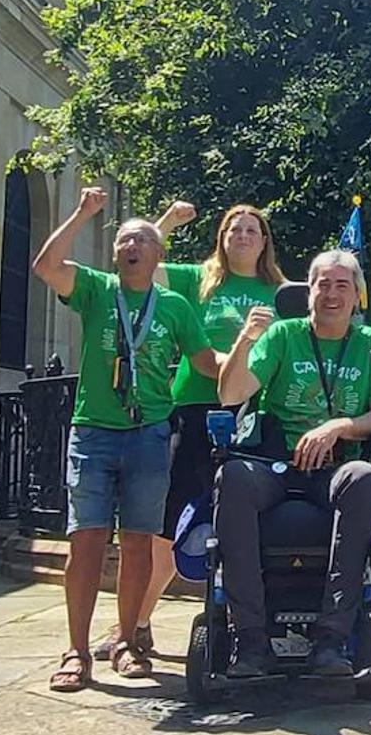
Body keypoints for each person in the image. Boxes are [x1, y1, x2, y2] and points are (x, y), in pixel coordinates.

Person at [32, 187, 221, 691]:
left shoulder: (176, 305)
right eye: (122, 240)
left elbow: (207, 363)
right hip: (94, 433)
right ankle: (75, 650)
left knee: (138, 543)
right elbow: (47, 266)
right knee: (87, 541)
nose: (130, 245)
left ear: (158, 255)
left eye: (141, 239)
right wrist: (82, 213)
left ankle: (127, 642)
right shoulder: (95, 288)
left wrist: (254, 357)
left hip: (150, 435)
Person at [92, 201, 287, 661]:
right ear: (222, 237)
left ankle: (255, 626)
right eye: (234, 229)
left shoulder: (278, 290)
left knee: (250, 519)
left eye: (252, 230)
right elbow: (142, 269)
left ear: (264, 241)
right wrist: (166, 224)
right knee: (166, 525)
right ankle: (134, 625)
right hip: (195, 409)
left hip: (253, 412)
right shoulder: (198, 279)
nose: (242, 236)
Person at [215, 249, 371, 677]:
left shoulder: (370, 343)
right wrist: (244, 342)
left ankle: (332, 639)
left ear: (356, 296)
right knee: (231, 477)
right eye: (322, 284)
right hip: (276, 464)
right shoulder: (282, 336)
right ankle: (250, 640)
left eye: (341, 285)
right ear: (308, 291)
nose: (331, 294)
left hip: (336, 466)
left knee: (364, 477)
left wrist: (338, 426)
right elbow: (231, 395)